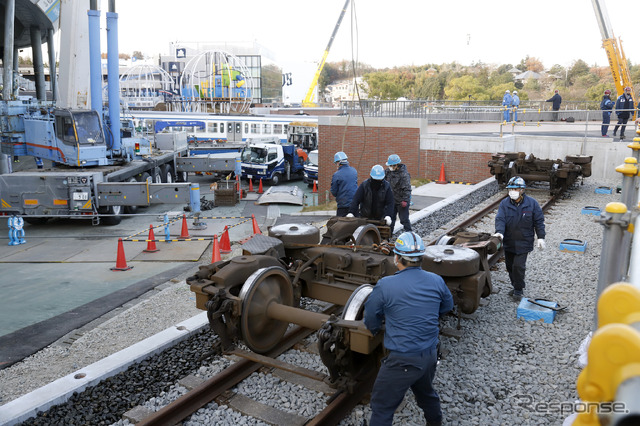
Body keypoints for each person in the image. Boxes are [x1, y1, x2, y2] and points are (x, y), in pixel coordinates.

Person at [364, 232, 454, 426]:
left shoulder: (386, 285)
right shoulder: (436, 280)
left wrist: (374, 330)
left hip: (401, 360)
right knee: (427, 394)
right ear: (421, 258)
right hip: (429, 355)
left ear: (397, 258)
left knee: (382, 407)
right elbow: (447, 307)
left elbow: (371, 316)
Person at [493, 176, 546, 301]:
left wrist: (541, 237)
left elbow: (539, 221)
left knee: (518, 266)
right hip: (509, 241)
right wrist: (499, 232)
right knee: (510, 266)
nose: (512, 192)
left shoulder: (532, 204)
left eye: (515, 189)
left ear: (522, 190)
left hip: (524, 242)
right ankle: (515, 285)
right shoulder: (504, 204)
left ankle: (518, 289)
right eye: (510, 189)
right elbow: (500, 219)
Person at [385, 154, 412, 233]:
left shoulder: (404, 174)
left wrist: (405, 200)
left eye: (391, 165)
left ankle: (410, 234)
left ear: (396, 165)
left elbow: (407, 189)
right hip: (391, 201)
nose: (390, 167)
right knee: (390, 220)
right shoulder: (387, 172)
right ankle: (388, 237)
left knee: (404, 219)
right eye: (389, 165)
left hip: (401, 201)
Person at [330, 151, 357, 217]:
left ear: (339, 163)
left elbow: (334, 191)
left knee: (340, 225)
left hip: (343, 205)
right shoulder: (354, 171)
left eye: (336, 163)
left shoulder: (337, 175)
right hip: (354, 205)